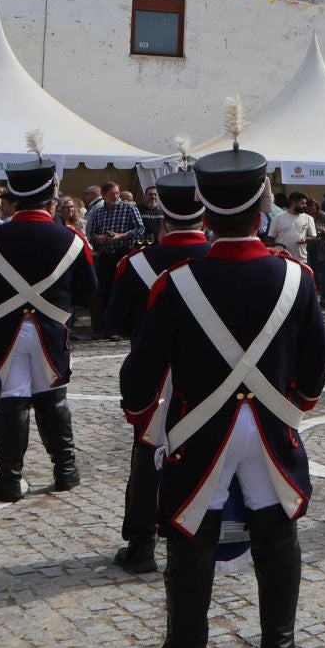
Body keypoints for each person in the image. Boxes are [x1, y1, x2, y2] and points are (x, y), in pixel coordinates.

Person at [120, 144, 325, 648]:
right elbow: (317, 365)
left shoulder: (180, 282)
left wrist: (145, 419)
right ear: (262, 208)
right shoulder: (296, 278)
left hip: (200, 430)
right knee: (276, 533)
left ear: (206, 210)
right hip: (269, 425)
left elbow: (142, 373)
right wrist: (296, 407)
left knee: (190, 540)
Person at [0, 145, 96, 502]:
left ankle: (9, 478)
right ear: (51, 199)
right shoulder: (72, 239)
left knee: (11, 399)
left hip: (4, 330)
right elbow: (89, 291)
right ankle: (65, 470)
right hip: (51, 328)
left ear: (13, 200)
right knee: (53, 397)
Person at [98, 172, 212, 575]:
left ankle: (142, 543)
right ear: (204, 216)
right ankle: (202, 537)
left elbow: (116, 322)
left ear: (162, 216)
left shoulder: (135, 265)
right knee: (208, 455)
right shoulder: (217, 259)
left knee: (146, 460)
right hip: (210, 380)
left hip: (152, 377)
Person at [86, 180, 144, 335]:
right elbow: (92, 233)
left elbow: (140, 229)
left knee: (122, 292)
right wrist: (97, 238)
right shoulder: (99, 212)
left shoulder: (129, 208)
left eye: (117, 193)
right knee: (105, 292)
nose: (116, 196)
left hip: (123, 253)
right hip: (106, 255)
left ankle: (121, 328)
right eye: (112, 193)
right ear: (104, 195)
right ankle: (107, 328)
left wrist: (121, 236)